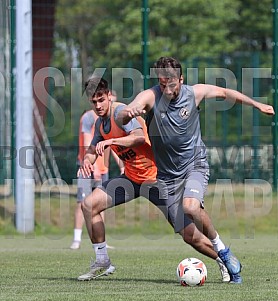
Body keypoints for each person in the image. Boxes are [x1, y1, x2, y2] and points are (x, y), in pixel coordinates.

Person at [117, 56, 275, 284]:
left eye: (171, 85)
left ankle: (223, 250)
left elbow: (225, 93)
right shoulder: (151, 96)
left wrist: (257, 104)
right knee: (189, 236)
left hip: (194, 164)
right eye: (162, 85)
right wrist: (128, 113)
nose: (167, 90)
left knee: (190, 206)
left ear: (181, 79)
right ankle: (225, 263)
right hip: (167, 179)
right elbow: (126, 111)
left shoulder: (195, 93)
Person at [77, 77, 230, 283]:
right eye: (93, 102)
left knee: (190, 236)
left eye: (101, 100)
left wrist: (112, 141)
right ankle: (102, 260)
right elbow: (93, 149)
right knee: (89, 205)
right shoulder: (100, 123)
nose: (98, 106)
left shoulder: (120, 113)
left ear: (109, 96)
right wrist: (87, 161)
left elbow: (139, 136)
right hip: (131, 181)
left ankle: (223, 260)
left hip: (157, 180)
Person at [70, 100, 124, 250]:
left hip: (103, 169)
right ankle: (77, 239)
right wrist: (93, 168)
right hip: (87, 168)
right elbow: (88, 145)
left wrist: (121, 165)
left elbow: (113, 146)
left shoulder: (111, 120)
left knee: (100, 204)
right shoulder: (88, 118)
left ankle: (101, 242)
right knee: (82, 202)